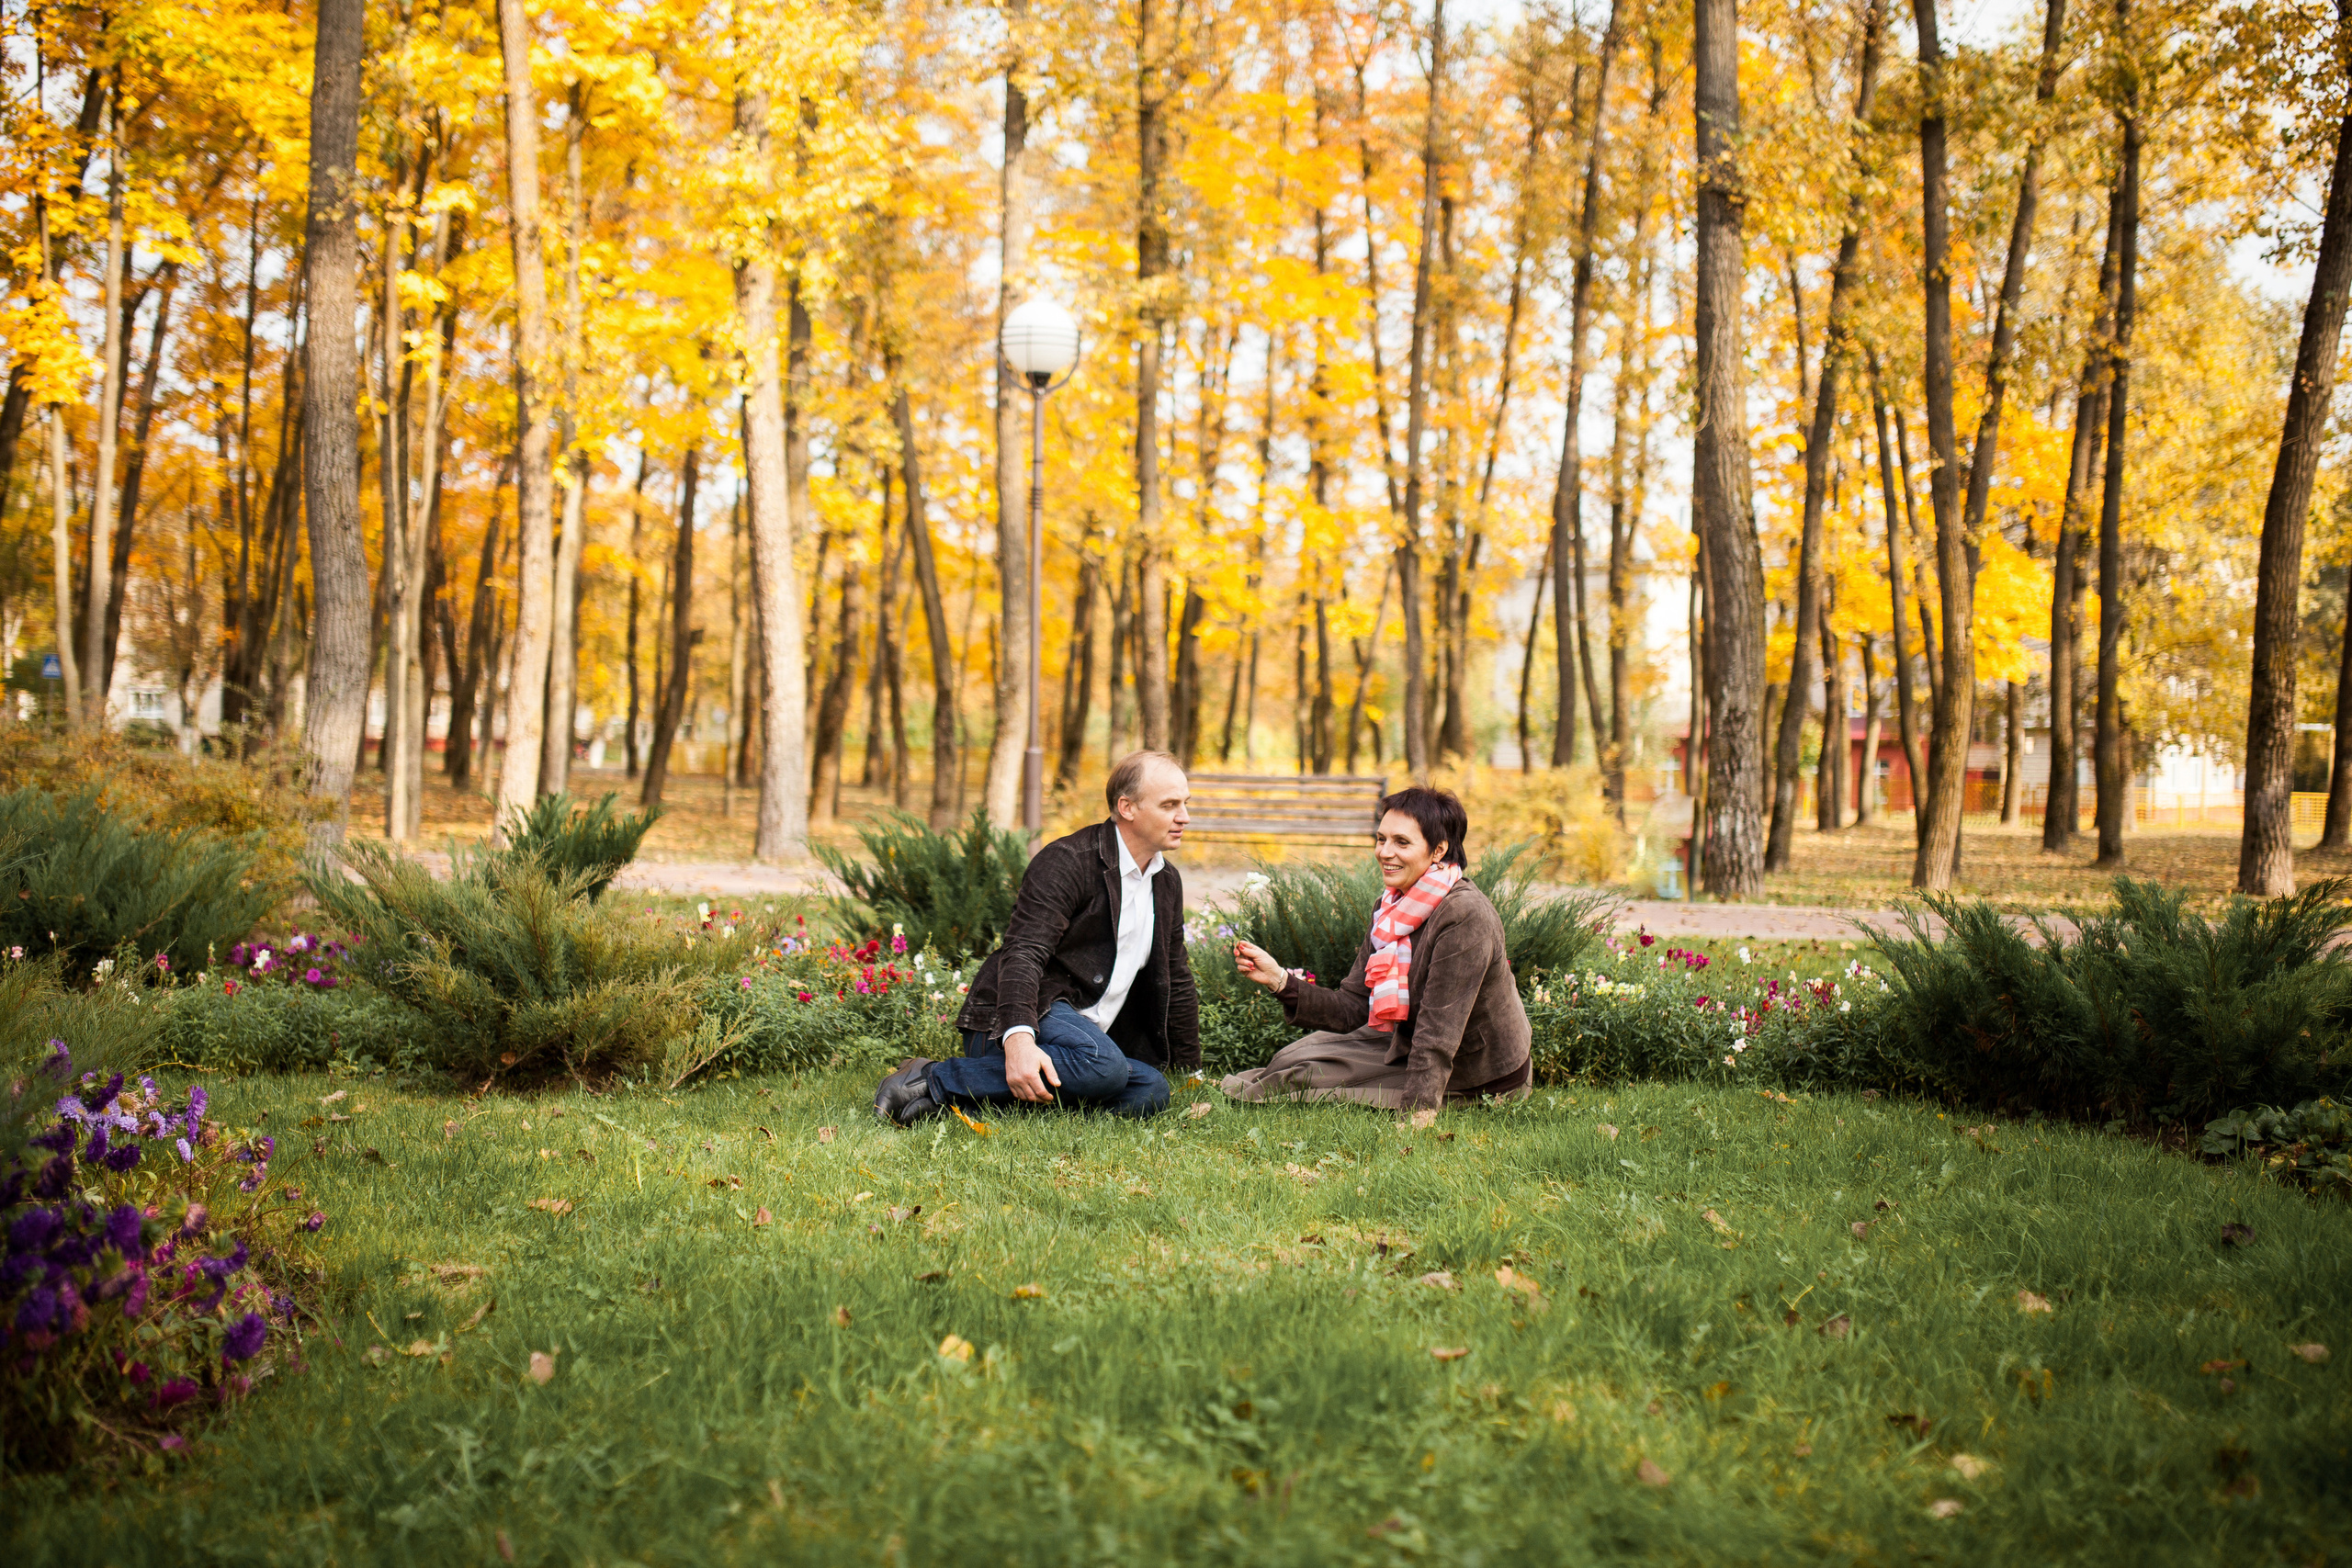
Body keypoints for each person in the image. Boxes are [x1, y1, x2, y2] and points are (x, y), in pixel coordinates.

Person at [872, 750, 1197, 1124]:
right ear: (1127, 807)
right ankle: (934, 1078)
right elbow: (1023, 953)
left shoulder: (1166, 881)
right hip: (1023, 1018)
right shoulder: (1068, 860)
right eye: (1170, 805)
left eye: (1185, 804)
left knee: (1151, 1089)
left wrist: (1190, 1071)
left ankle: (965, 1100)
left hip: (1080, 1046)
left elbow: (1175, 976)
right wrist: (1020, 1040)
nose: (1184, 817)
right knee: (1105, 1068)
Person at [1220, 786, 1531, 1111]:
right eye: (1381, 839)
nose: (1384, 852)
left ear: (1438, 850)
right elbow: (1352, 1006)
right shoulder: (1390, 909)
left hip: (1476, 1073)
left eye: (1401, 842)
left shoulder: (1465, 914)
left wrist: (1418, 1111)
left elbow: (1440, 1031)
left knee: (1305, 1079)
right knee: (1292, 1057)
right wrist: (1279, 979)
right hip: (1411, 1042)